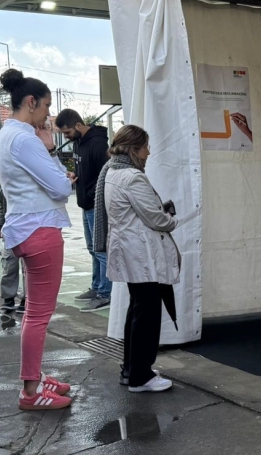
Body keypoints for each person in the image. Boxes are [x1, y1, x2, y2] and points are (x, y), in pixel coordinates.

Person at [0, 68, 76, 411]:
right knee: (39, 314)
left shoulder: (7, 134)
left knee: (33, 313)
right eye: (46, 107)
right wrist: (54, 157)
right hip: (39, 229)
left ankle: (35, 378)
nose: (48, 116)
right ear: (30, 102)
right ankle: (30, 390)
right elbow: (59, 187)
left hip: (25, 226)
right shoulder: (26, 138)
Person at [99, 125, 179, 393]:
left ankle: (130, 369)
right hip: (141, 254)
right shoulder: (132, 177)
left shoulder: (111, 171)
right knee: (146, 313)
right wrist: (171, 220)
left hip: (128, 250)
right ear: (133, 148)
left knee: (137, 309)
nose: (148, 152)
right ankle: (141, 376)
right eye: (145, 146)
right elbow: (154, 218)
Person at [56, 109, 113, 310]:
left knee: (101, 250)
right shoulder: (78, 143)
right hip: (86, 204)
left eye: (67, 132)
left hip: (96, 205)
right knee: (92, 249)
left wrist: (92, 195)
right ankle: (97, 286)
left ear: (78, 126)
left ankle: (106, 293)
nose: (66, 137)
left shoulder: (98, 145)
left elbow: (105, 176)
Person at [0, 192, 26, 313]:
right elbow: (2, 207)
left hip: (27, 230)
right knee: (9, 265)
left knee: (27, 268)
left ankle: (27, 299)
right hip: (10, 231)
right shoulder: (4, 187)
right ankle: (8, 298)